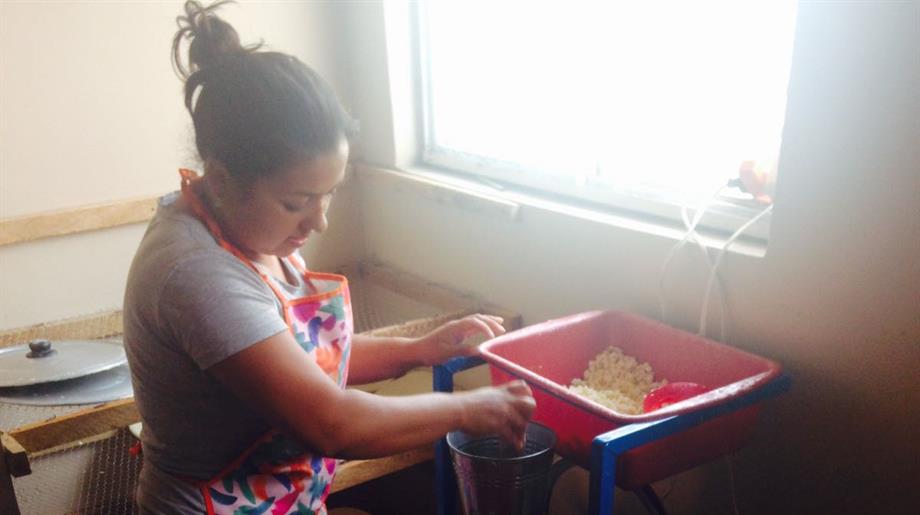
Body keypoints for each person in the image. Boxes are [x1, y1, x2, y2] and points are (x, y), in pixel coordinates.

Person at [122, 2, 536, 514]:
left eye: (329, 194)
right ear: (222, 177)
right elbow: (330, 423)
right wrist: (471, 409)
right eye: (297, 202)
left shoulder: (253, 230)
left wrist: (418, 349)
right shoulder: (197, 273)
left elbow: (302, 360)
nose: (317, 222)